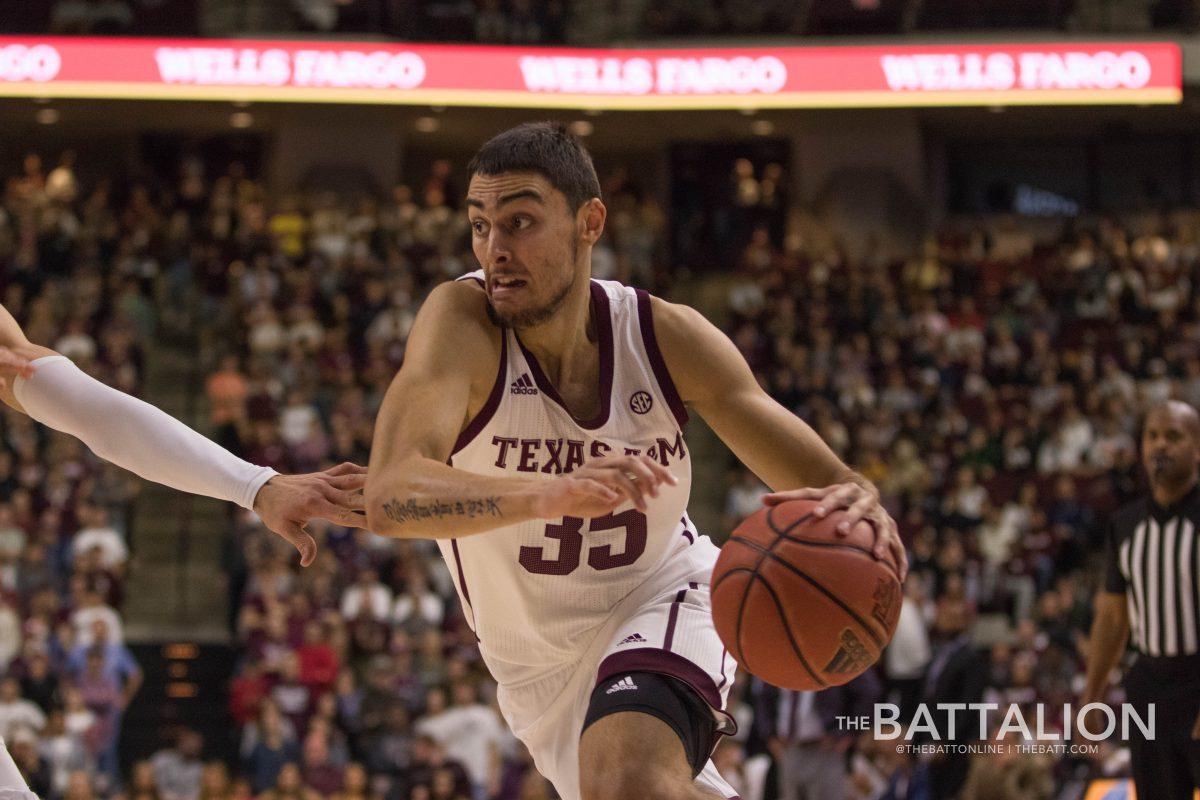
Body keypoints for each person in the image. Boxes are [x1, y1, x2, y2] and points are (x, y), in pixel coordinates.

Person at [364, 122, 907, 800]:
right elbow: (391, 494)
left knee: (626, 783)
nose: (495, 250)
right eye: (480, 226)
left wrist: (858, 501)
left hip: (664, 597)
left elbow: (833, 484)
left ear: (590, 221)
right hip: (534, 671)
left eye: (521, 221)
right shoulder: (460, 322)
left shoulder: (663, 337)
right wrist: (542, 495)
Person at [1081, 400, 1200, 800]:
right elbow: (1113, 620)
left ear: (1197, 448)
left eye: (1173, 436)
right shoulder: (1126, 525)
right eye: (1152, 436)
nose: (1160, 446)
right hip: (1150, 687)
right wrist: (1091, 696)